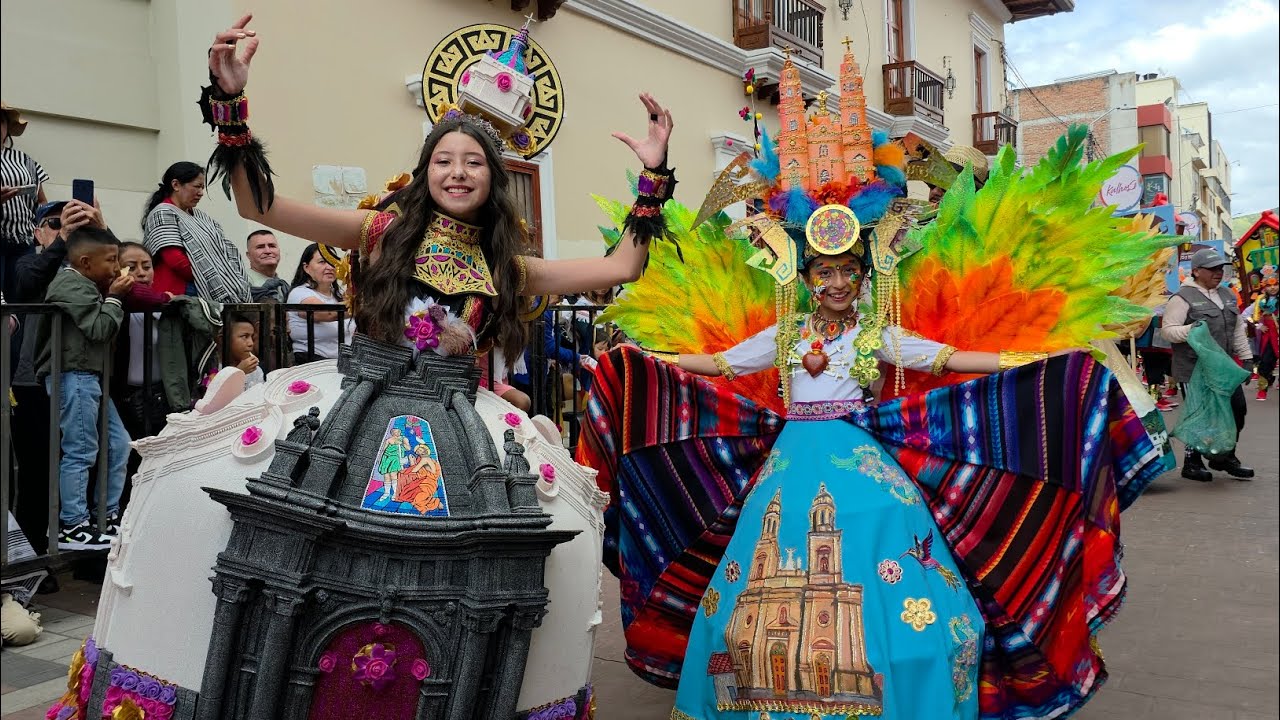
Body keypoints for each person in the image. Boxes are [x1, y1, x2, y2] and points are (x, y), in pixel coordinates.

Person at [203, 13, 673, 376]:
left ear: (493, 178)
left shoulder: (506, 266)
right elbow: (256, 206)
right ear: (425, 171)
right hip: (368, 409)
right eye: (443, 161)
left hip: (455, 426)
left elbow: (621, 267)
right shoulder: (380, 230)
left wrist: (652, 176)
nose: (458, 173)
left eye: (474, 162)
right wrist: (229, 102)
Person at [33, 226, 134, 550]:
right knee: (81, 449)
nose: (117, 268)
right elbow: (98, 328)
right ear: (86, 262)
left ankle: (106, 517)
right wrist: (115, 298)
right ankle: (71, 525)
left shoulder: (86, 283)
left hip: (89, 377)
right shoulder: (71, 284)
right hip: (73, 377)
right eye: (111, 260)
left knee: (119, 444)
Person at [1160, 248, 1254, 481]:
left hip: (1224, 369)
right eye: (1212, 269)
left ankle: (1224, 456)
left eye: (1220, 268)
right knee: (1200, 415)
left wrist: (1247, 357)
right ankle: (1192, 463)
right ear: (1196, 271)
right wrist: (1191, 329)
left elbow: (1237, 329)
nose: (1218, 273)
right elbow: (1167, 331)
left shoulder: (1228, 295)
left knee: (1237, 409)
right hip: (1194, 369)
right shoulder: (1182, 298)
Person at [142, 161, 252, 303]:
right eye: (197, 187)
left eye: (202, 188)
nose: (201, 193)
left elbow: (224, 249)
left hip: (206, 288)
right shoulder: (163, 213)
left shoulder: (202, 217)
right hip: (178, 290)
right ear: (175, 185)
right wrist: (212, 277)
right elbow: (175, 259)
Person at [1, 101, 49, 301]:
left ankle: (18, 333)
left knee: (22, 299)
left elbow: (42, 202)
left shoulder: (25, 160)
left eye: (1, 122)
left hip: (24, 239)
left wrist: (44, 230)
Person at [286, 243, 354, 363]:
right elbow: (328, 313)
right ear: (306, 267)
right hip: (312, 363)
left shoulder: (340, 296)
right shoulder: (299, 293)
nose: (329, 267)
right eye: (322, 262)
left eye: (332, 261)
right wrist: (361, 305)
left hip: (344, 363)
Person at [1247, 272, 1278, 400]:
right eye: (1269, 285)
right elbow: (1248, 317)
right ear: (1264, 287)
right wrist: (1259, 326)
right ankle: (1262, 389)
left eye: (1276, 284)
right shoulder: (1260, 300)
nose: (1273, 288)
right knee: (1265, 361)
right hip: (1268, 334)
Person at [244, 229, 288, 303]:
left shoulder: (284, 286)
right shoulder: (241, 283)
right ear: (248, 255)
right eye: (260, 247)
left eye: (272, 246)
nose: (268, 251)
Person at [224, 312, 263, 389]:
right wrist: (239, 373)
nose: (251, 343)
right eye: (244, 336)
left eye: (252, 337)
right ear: (223, 338)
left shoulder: (255, 369)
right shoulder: (213, 369)